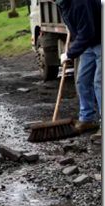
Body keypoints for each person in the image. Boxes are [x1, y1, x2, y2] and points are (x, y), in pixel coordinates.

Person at [54, 0, 101, 142]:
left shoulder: (78, 2)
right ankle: (88, 119)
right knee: (82, 80)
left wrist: (70, 53)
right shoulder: (61, 3)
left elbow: (87, 33)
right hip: (90, 43)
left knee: (100, 82)